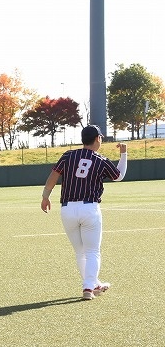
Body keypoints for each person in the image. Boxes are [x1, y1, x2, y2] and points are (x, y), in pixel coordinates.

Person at [41, 124, 127, 300]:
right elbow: (119, 176)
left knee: (80, 252)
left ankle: (94, 284)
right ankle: (88, 287)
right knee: (92, 251)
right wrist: (124, 154)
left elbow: (53, 177)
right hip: (89, 209)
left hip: (67, 209)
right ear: (97, 138)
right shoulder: (100, 160)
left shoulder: (68, 155)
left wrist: (45, 196)